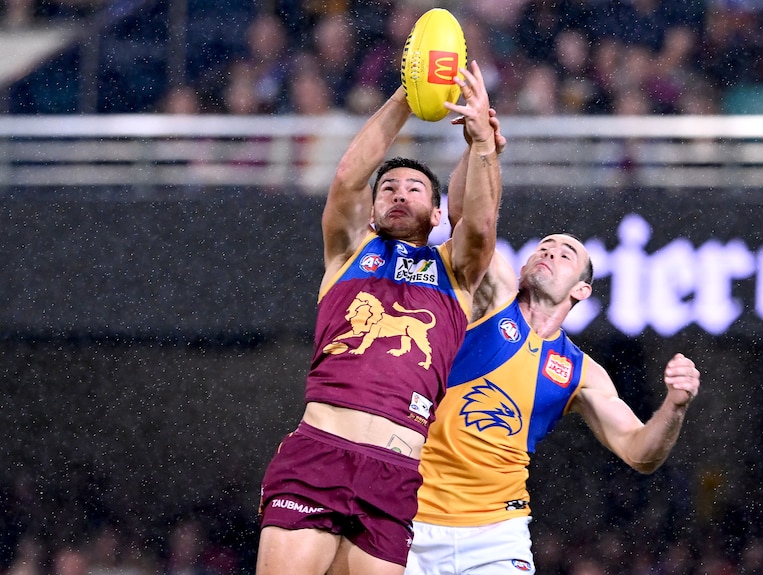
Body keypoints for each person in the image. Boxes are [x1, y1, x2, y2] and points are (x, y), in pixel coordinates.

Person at [405, 124, 701, 575]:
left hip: (496, 533)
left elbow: (641, 452)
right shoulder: (491, 299)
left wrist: (675, 409)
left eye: (565, 254)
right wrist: (480, 146)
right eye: (543, 247)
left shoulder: (583, 374)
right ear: (523, 265)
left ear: (581, 289)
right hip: (411, 518)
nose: (549, 252)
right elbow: (468, 220)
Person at [256, 59, 502, 575]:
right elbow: (347, 180)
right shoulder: (348, 252)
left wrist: (481, 144)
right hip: (320, 451)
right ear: (372, 210)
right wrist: (405, 99)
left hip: (395, 470)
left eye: (415, 189)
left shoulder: (456, 273)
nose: (398, 193)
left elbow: (478, 227)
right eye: (388, 188)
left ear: (437, 215)